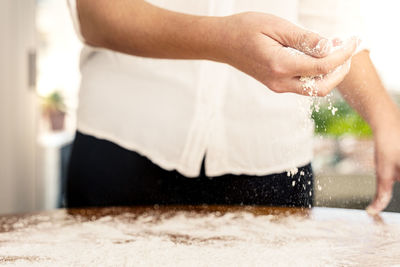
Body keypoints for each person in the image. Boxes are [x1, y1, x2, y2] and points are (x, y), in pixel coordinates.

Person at [66, 0, 400, 214]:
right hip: (125, 147)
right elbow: (95, 13)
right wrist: (224, 40)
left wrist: (385, 119)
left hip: (271, 165)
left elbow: (331, 19)